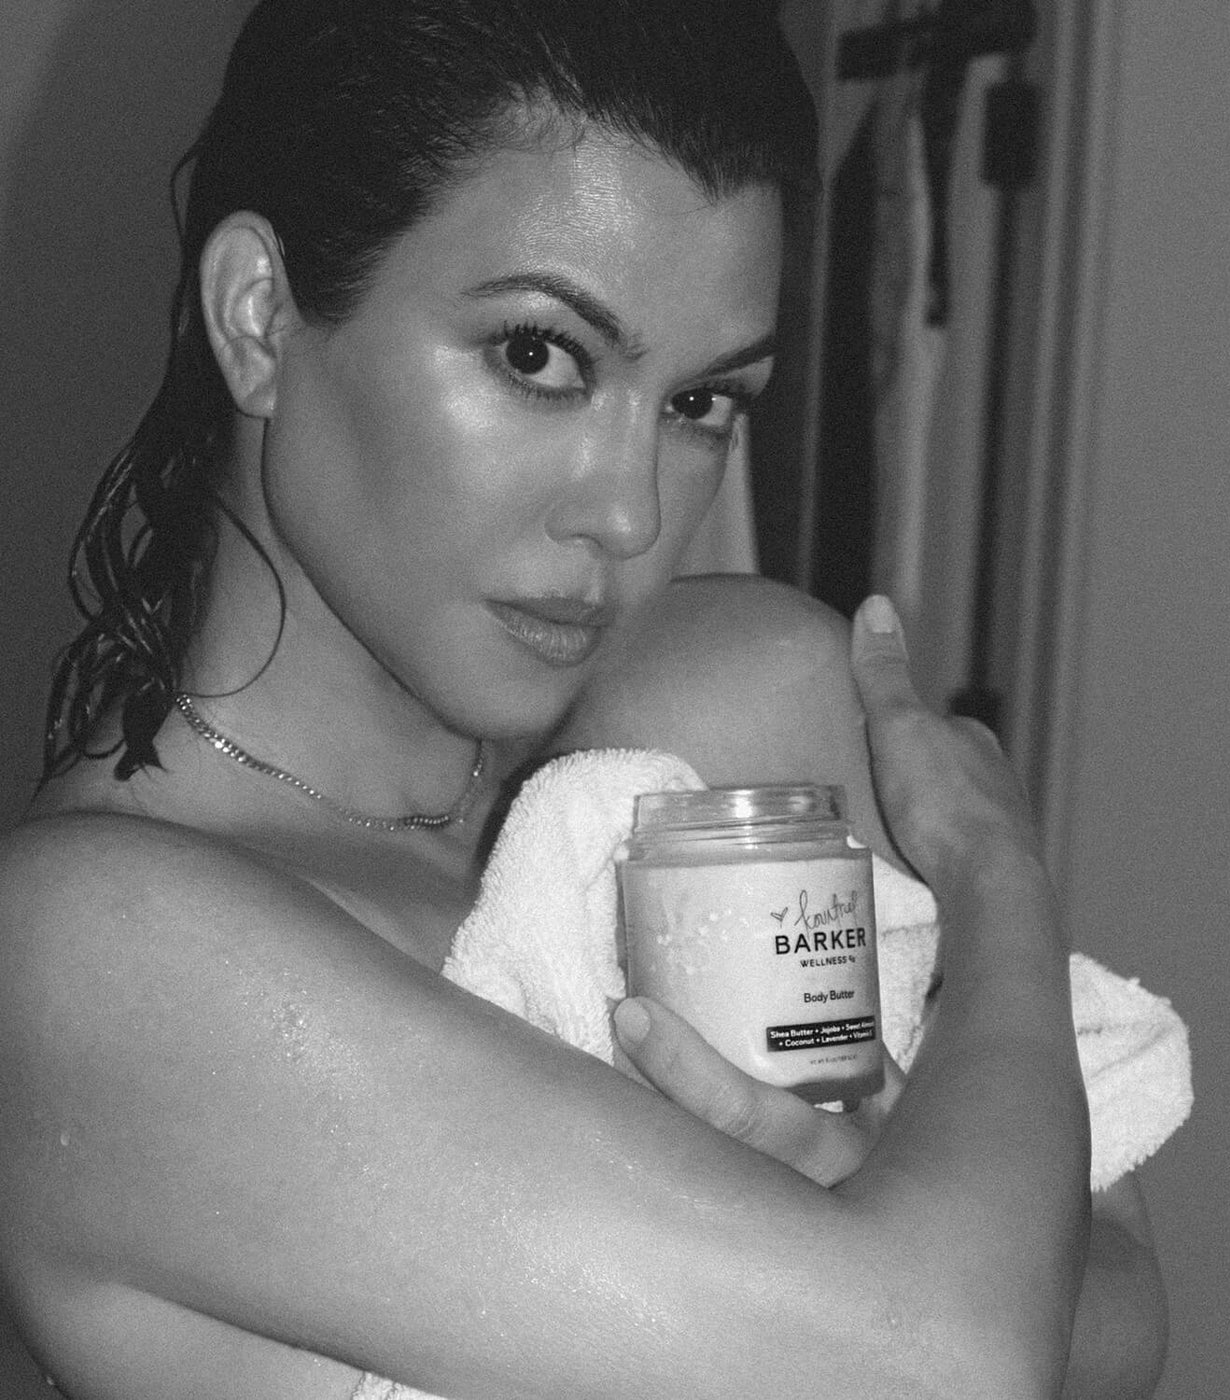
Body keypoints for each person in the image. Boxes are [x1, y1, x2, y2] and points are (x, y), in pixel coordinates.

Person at [0, 2, 1167, 1396]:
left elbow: (1122, 1304)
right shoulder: (91, 951)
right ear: (259, 315)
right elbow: (960, 1364)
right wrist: (994, 880)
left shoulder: (739, 707)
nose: (631, 513)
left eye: (700, 403)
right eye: (539, 357)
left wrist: (892, 1214)